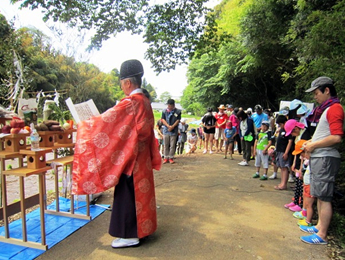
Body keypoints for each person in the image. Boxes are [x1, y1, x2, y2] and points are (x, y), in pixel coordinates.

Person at [72, 59, 162, 248]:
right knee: (140, 195)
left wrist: (85, 124)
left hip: (132, 158)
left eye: (121, 83)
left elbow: (107, 121)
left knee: (129, 195)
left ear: (127, 82)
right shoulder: (144, 101)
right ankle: (141, 230)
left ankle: (130, 235)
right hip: (142, 157)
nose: (122, 87)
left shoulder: (130, 103)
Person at [300, 76, 344, 245]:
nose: (315, 97)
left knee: (324, 197)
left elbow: (336, 137)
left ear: (327, 90)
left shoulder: (334, 109)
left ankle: (322, 234)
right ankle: (319, 227)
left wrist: (313, 145)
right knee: (319, 195)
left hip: (325, 158)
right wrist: (311, 143)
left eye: (316, 92)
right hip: (320, 157)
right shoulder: (326, 109)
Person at [273, 115, 294, 190]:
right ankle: (282, 182)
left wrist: (286, 153)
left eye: (281, 124)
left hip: (284, 151)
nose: (280, 126)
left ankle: (284, 184)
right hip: (279, 150)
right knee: (281, 167)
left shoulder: (288, 130)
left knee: (284, 167)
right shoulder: (281, 129)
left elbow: (290, 142)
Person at [161, 99, 181, 164]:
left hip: (174, 130)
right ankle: (165, 157)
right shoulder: (164, 111)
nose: (169, 106)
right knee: (166, 144)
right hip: (166, 130)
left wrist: (172, 127)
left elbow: (178, 120)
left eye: (170, 105)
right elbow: (163, 119)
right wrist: (168, 126)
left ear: (173, 105)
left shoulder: (178, 111)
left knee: (172, 145)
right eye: (168, 105)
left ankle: (171, 157)